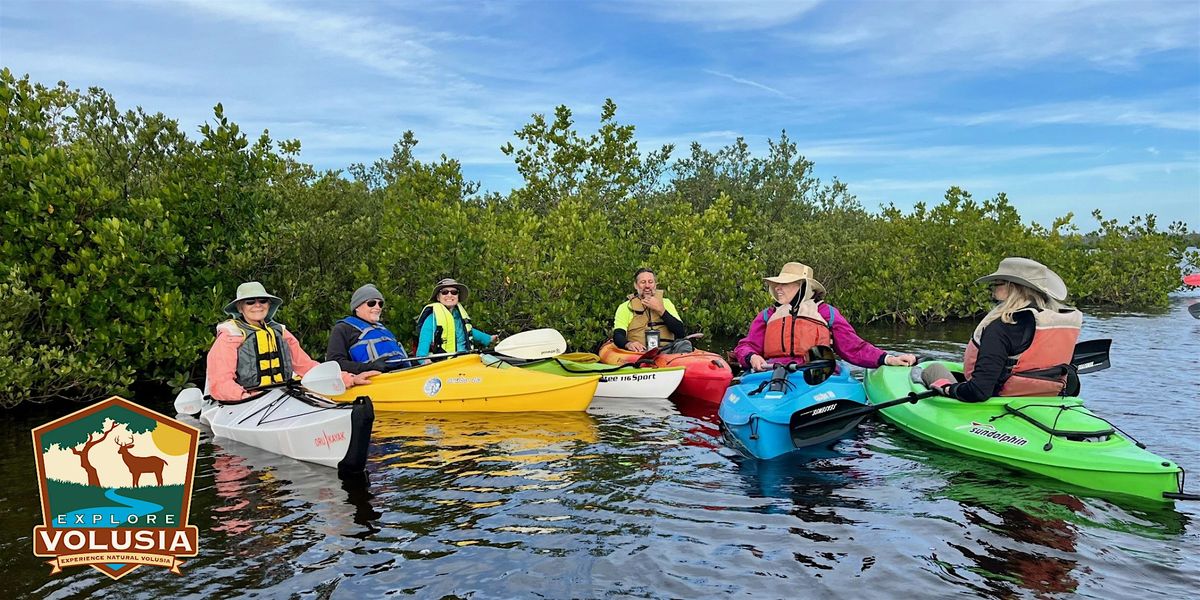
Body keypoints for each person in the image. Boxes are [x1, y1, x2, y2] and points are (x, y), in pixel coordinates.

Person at [921, 257, 1082, 402]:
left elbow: (979, 391)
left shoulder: (1001, 327)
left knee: (932, 369)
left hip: (1000, 401)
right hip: (1046, 399)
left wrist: (949, 388)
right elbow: (1071, 381)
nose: (992, 287)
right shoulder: (1054, 324)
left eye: (997, 282)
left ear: (1012, 287)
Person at [206, 281, 378, 401]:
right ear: (240, 307)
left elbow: (307, 366)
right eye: (250, 301)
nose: (257, 305)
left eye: (262, 300)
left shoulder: (280, 332)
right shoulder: (230, 335)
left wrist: (348, 379)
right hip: (247, 399)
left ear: (268, 304)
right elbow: (220, 382)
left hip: (281, 395)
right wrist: (245, 398)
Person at [733, 262, 916, 372]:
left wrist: (888, 358)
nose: (778, 288)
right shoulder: (767, 316)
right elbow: (747, 346)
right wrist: (751, 358)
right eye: (777, 285)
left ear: (803, 286)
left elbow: (854, 347)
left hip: (814, 374)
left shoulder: (826, 313)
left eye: (785, 284)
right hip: (773, 372)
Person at [326, 283, 411, 374]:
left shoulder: (383, 330)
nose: (377, 307)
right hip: (372, 382)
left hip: (402, 376)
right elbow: (334, 363)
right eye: (371, 303)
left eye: (380, 304)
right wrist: (369, 367)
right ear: (357, 307)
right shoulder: (343, 329)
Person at [415, 278, 495, 358]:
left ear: (458, 296)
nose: (449, 295)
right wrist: (424, 359)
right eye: (444, 292)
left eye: (454, 292)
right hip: (445, 364)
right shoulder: (431, 319)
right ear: (438, 297)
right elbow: (422, 349)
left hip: (464, 360)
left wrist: (488, 338)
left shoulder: (459, 316)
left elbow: (469, 331)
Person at [612, 268, 687, 352]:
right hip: (639, 352)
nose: (647, 286)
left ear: (655, 285)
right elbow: (618, 335)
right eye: (643, 282)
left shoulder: (666, 303)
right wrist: (628, 344)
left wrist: (661, 310)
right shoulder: (625, 307)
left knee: (685, 344)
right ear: (636, 285)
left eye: (650, 282)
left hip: (666, 351)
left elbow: (680, 332)